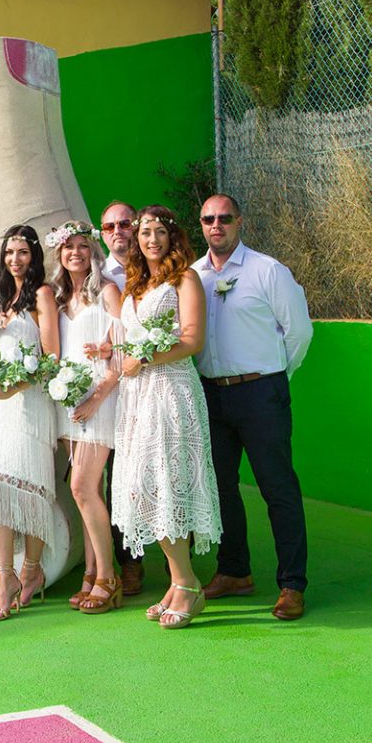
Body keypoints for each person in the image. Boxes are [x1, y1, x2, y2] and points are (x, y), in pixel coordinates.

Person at [192, 194, 313, 621]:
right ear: (201, 224)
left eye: (224, 218)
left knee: (277, 487)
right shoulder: (193, 276)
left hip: (262, 393)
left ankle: (292, 584)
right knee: (221, 487)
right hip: (213, 394)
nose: (216, 225)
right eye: (209, 219)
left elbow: (299, 332)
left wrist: (276, 376)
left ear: (239, 222)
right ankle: (234, 571)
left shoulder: (268, 271)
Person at [113, 206, 222, 630]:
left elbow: (193, 340)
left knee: (164, 483)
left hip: (172, 391)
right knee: (141, 487)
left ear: (172, 237)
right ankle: (179, 582)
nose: (151, 240)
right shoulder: (136, 282)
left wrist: (143, 357)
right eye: (145, 233)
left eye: (159, 232)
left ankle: (187, 584)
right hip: (137, 396)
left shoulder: (185, 279)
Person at [0, 224, 59, 621]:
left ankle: (31, 570)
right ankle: (4, 578)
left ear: (34, 256)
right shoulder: (0, 300)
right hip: (2, 406)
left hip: (30, 403)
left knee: (31, 488)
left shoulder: (43, 295)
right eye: (9, 252)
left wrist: (17, 387)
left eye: (23, 252)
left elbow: (52, 359)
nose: (15, 259)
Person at [48, 222, 124, 613]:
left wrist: (96, 398)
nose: (75, 252)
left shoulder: (108, 290)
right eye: (67, 247)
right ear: (60, 255)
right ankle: (91, 575)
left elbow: (125, 351)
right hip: (69, 399)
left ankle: (109, 577)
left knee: (81, 487)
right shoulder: (61, 296)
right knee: (84, 493)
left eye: (82, 245)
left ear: (93, 251)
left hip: (100, 398)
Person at [98, 199, 145, 595]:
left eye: (125, 223)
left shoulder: (159, 268)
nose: (119, 231)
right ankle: (130, 560)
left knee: (160, 471)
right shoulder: (96, 277)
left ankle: (176, 557)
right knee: (119, 479)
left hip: (157, 384)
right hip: (115, 390)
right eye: (110, 226)